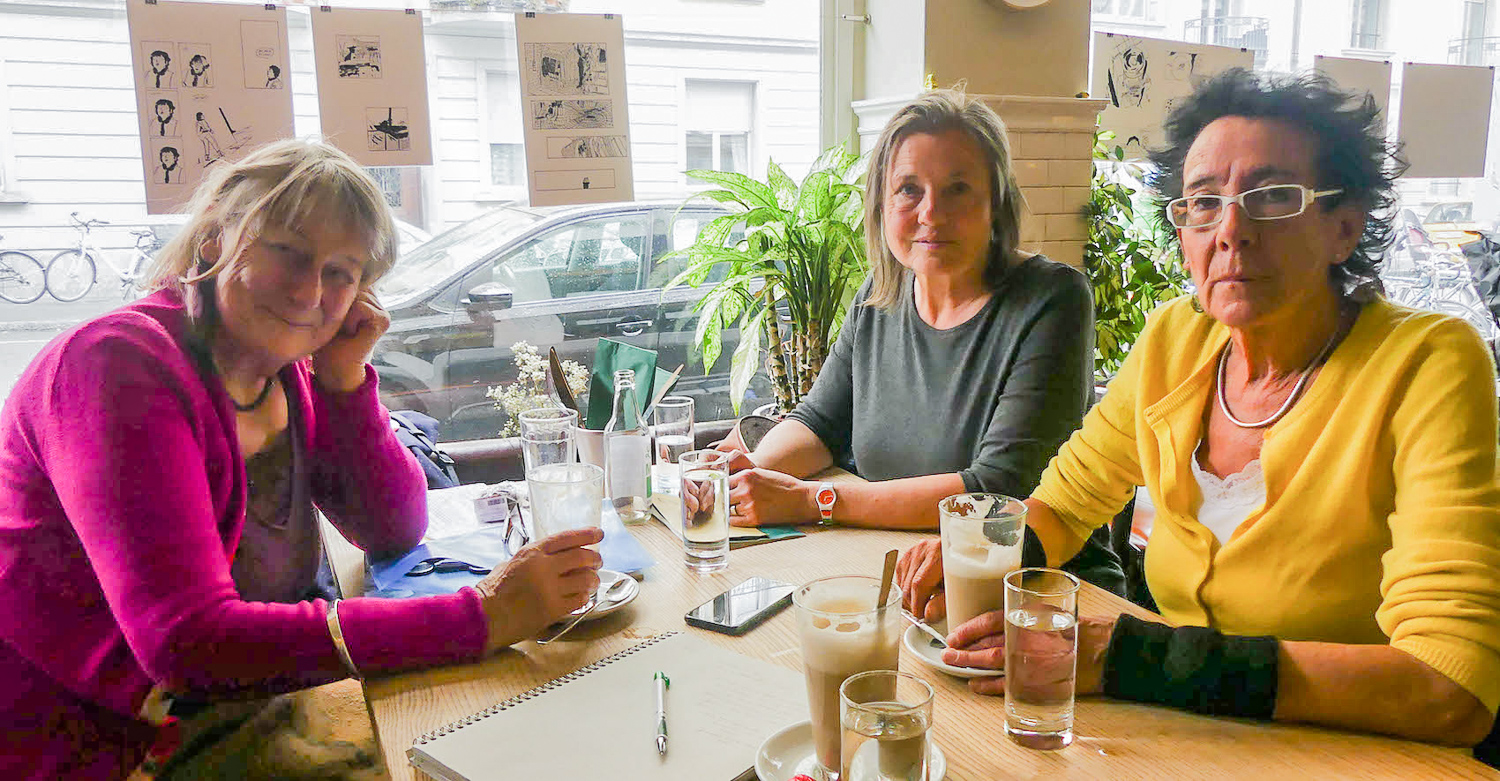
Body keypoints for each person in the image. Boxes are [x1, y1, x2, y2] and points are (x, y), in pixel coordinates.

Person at [896, 69, 1500, 750]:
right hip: (1170, 736)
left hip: (1350, 752)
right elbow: (1066, 504)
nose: (1231, 230)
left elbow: (1451, 685)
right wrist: (980, 556)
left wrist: (1139, 660)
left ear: (1344, 227)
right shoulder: (1175, 340)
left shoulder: (1428, 363)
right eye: (1203, 202)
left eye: (1271, 196)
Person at [0, 139, 603, 779]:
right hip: (109, 746)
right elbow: (186, 643)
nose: (310, 290)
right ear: (213, 241)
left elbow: (392, 528)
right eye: (287, 252)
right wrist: (479, 617)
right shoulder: (118, 367)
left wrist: (346, 379)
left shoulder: (280, 373)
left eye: (342, 272)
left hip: (247, 709)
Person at [715, 90, 1121, 589]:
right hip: (896, 565)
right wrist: (749, 477)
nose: (932, 212)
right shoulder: (878, 295)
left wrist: (811, 501)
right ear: (881, 205)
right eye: (909, 189)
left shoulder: (1052, 299)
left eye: (958, 189)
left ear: (995, 204)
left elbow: (997, 489)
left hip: (1031, 589)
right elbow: (819, 423)